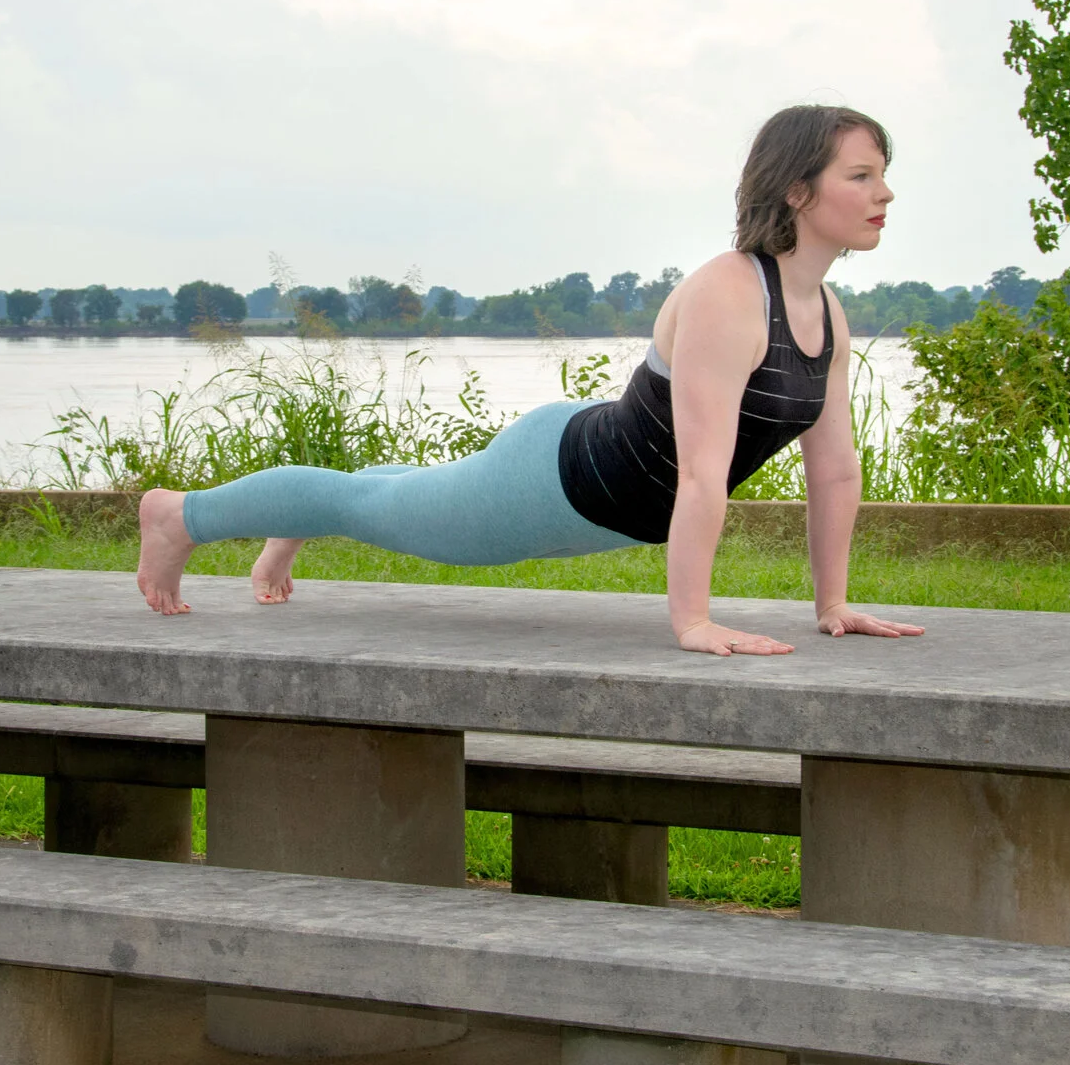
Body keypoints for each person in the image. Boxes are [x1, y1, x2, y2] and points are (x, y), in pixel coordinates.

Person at [135, 104, 927, 656]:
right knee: (372, 508)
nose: (884, 193)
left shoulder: (824, 311)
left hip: (600, 487)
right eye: (861, 175)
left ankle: (299, 514)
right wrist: (692, 621)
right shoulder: (729, 292)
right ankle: (177, 516)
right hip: (555, 482)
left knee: (384, 495)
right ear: (797, 189)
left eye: (882, 175)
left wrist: (833, 605)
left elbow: (835, 469)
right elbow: (700, 472)